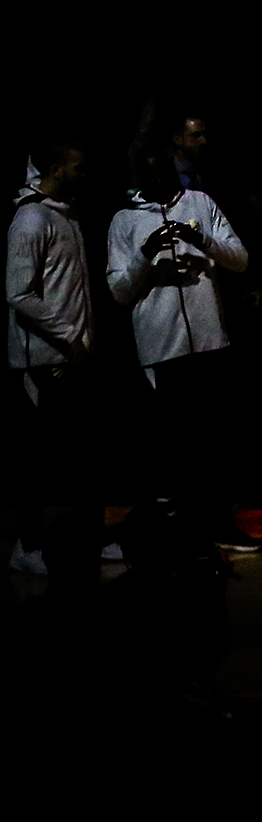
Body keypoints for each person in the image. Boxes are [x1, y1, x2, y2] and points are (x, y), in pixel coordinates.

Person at [106, 143, 262, 552]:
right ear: (139, 176)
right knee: (170, 445)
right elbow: (119, 292)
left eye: (167, 172)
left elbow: (241, 260)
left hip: (212, 343)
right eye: (152, 173)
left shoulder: (200, 202)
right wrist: (146, 257)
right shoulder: (124, 221)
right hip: (161, 349)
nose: (161, 180)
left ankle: (221, 527)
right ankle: (174, 537)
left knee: (216, 441)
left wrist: (202, 242)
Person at [7, 138, 100, 578]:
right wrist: (69, 335)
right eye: (77, 165)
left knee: (84, 459)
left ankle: (86, 544)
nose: (84, 173)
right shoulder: (30, 219)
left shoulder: (68, 214)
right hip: (43, 363)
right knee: (36, 462)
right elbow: (18, 293)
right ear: (58, 168)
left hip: (71, 356)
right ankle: (27, 546)